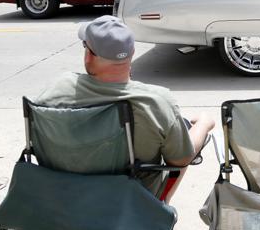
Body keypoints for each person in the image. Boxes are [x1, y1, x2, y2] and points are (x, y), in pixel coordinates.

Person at [36, 15, 216, 198]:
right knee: (182, 141)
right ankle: (158, 212)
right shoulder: (156, 102)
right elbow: (180, 159)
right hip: (128, 206)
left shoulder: (57, 89)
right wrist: (203, 124)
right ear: (132, 53)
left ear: (89, 55)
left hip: (61, 197)